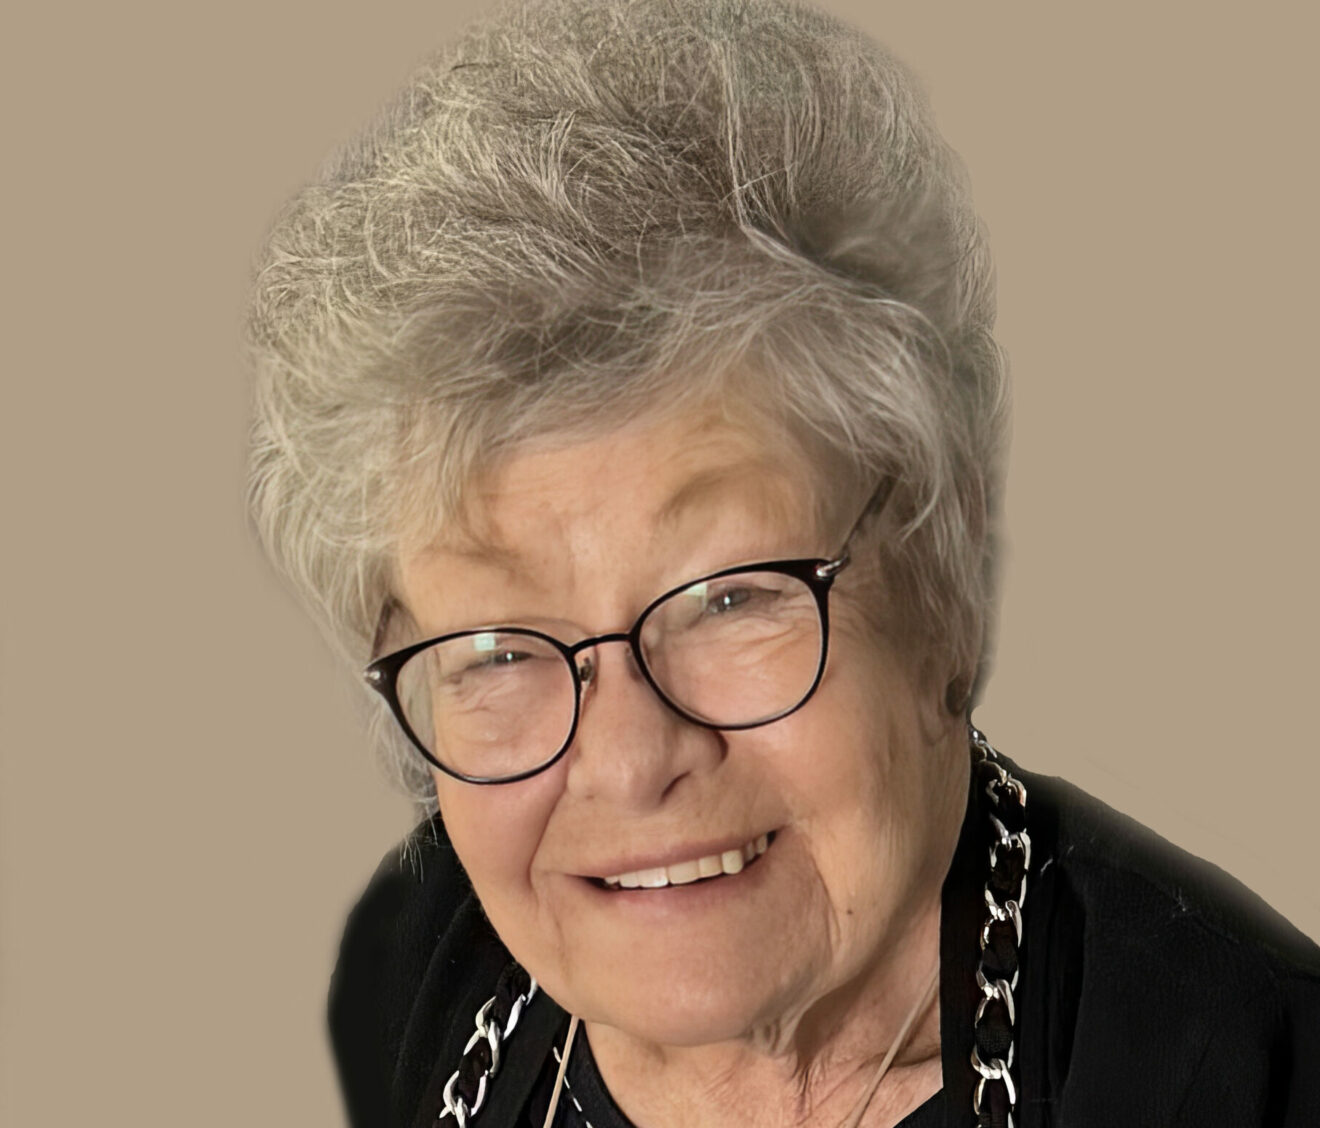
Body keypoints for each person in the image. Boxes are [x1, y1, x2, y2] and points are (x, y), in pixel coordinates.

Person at [246, 1, 1320, 1125]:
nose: (630, 763)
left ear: (943, 587)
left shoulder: (1239, 1079)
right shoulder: (417, 974)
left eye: (729, 598)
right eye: (500, 649)